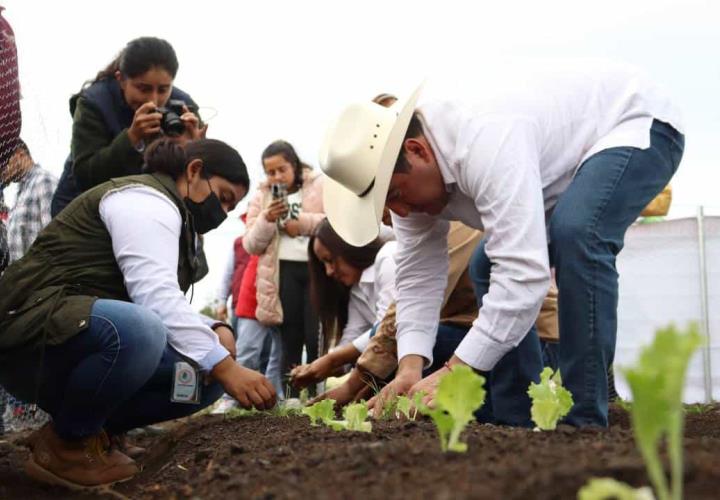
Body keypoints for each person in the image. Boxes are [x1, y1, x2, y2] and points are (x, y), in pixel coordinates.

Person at [319, 60, 684, 427]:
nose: (399, 211)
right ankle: (516, 419)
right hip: (564, 167)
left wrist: (455, 371)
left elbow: (525, 276)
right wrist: (410, 367)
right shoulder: (407, 186)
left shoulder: (484, 140)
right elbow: (417, 277)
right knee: (487, 266)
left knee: (578, 234)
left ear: (418, 151)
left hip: (636, 122)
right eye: (387, 206)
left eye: (396, 194)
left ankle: (584, 420)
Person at [0, 138, 276, 488]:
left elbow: (158, 296)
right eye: (221, 197)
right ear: (194, 171)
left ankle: (88, 432)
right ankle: (68, 445)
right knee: (144, 333)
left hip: (75, 335)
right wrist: (226, 365)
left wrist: (217, 329)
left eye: (229, 207)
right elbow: (154, 298)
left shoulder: (171, 216)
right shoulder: (147, 202)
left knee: (200, 381)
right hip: (28, 332)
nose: (220, 214)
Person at [51, 36, 204, 216]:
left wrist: (193, 148)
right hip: (84, 211)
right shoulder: (94, 104)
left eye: (163, 90)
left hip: (146, 210)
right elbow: (85, 176)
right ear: (121, 79)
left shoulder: (183, 108)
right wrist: (131, 138)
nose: (153, 100)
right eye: (143, 89)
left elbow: (198, 184)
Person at [243, 140, 324, 396]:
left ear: (295, 165)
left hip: (315, 270)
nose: (277, 176)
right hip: (282, 273)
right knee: (290, 338)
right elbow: (250, 244)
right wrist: (267, 219)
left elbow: (336, 224)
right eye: (271, 172)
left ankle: (317, 395)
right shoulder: (261, 196)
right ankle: (290, 398)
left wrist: (301, 224)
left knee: (315, 337)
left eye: (282, 170)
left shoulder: (319, 186)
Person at [3, 140, 58, 263]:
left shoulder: (44, 182)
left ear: (19, 153)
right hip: (23, 280)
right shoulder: (19, 193)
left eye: (3, 162)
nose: (1, 169)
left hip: (41, 278)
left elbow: (54, 240)